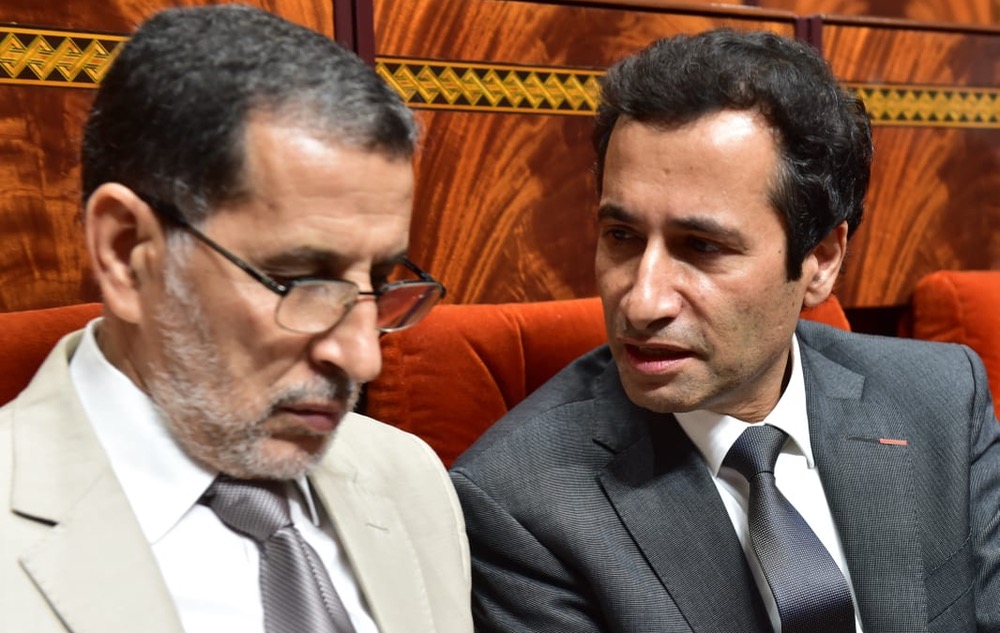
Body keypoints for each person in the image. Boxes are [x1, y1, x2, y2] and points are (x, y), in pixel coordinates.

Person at [450, 28, 1000, 633]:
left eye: (703, 247)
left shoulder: (941, 398)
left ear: (820, 260)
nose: (642, 301)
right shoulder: (519, 503)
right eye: (621, 236)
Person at [0, 5, 471, 633]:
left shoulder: (412, 479)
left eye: (380, 282)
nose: (364, 358)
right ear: (127, 253)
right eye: (301, 281)